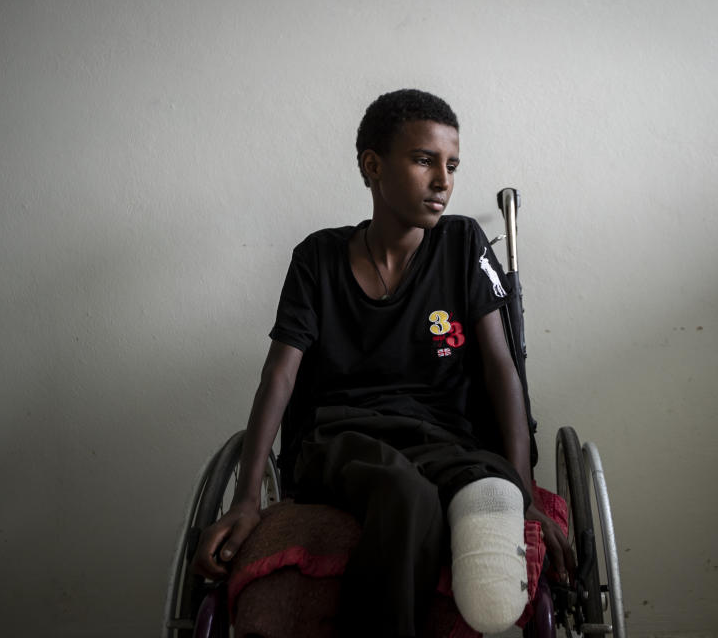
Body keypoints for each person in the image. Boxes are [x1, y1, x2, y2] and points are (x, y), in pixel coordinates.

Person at [192, 89, 573, 637]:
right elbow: (279, 374)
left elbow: (501, 369)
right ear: (373, 166)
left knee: (485, 485)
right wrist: (248, 498)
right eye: (424, 160)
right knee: (406, 494)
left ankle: (493, 510)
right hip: (338, 438)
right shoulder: (318, 258)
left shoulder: (462, 243)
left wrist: (522, 489)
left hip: (442, 437)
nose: (443, 179)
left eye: (452, 165)